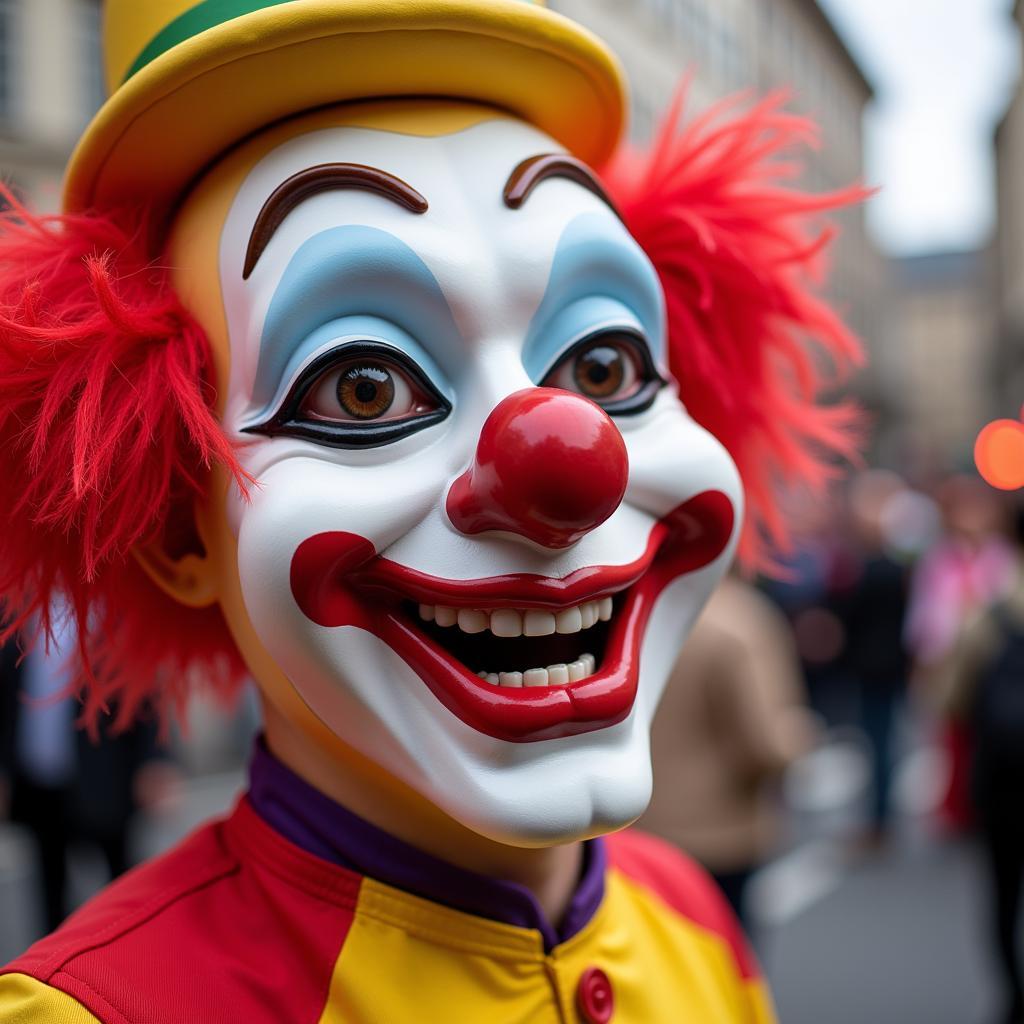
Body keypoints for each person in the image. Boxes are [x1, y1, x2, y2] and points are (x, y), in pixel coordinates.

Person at [0, 2, 865, 1019]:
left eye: (605, 362)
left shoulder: (695, 928)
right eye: (362, 383)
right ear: (177, 525)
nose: (565, 468)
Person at [641, 573, 819, 929]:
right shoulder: (740, 621)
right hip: (719, 832)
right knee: (723, 960)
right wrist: (800, 739)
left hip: (639, 828)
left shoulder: (633, 612)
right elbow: (764, 744)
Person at [940, 500, 1024, 1024]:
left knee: (1003, 889)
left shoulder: (991, 610)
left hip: (1006, 778)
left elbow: (949, 700)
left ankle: (1014, 996)